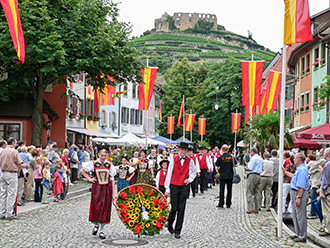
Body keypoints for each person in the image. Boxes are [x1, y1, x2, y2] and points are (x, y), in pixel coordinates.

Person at [80, 149, 116, 239]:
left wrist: (113, 194)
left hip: (107, 188)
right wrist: (90, 179)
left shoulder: (110, 165)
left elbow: (112, 179)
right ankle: (96, 224)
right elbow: (82, 170)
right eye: (102, 155)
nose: (103, 157)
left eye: (105, 155)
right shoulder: (94, 164)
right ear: (98, 155)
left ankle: (102, 230)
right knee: (96, 206)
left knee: (105, 208)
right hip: (97, 188)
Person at [165, 142, 196, 239]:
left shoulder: (190, 160)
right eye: (181, 149)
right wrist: (167, 188)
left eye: (185, 150)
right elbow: (169, 173)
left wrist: (189, 179)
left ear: (187, 151)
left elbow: (194, 171)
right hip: (174, 185)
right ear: (178, 150)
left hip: (184, 186)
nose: (183, 151)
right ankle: (170, 223)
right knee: (174, 208)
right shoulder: (173, 160)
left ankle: (178, 230)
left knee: (181, 209)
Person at [282, 153, 309, 243]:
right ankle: (298, 233)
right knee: (295, 214)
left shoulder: (302, 170)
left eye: (295, 158)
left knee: (300, 215)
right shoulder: (299, 169)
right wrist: (285, 172)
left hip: (299, 193)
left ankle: (302, 235)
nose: (293, 159)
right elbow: (294, 177)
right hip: (295, 192)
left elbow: (301, 185)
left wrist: (299, 197)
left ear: (299, 159)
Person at [0, 138, 24, 220]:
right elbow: (20, 163)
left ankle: (1, 212)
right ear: (13, 143)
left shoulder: (2, 151)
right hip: (11, 172)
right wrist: (18, 171)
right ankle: (9, 213)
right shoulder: (14, 151)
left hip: (3, 173)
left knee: (3, 194)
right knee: (11, 194)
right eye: (16, 143)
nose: (16, 144)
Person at [216, 144, 236, 209]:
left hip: (222, 175)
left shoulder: (220, 157)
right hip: (230, 175)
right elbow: (236, 164)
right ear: (228, 150)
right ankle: (228, 203)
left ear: (222, 149)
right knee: (229, 190)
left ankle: (221, 203)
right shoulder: (231, 157)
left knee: (222, 190)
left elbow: (217, 165)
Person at [245, 147, 264, 214]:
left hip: (252, 175)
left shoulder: (253, 158)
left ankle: (250, 208)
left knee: (249, 191)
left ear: (252, 152)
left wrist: (245, 168)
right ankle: (257, 207)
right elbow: (262, 169)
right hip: (258, 175)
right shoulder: (261, 158)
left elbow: (250, 168)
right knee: (257, 192)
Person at [319, 147, 330, 237]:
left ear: (326, 155)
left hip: (327, 189)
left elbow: (325, 180)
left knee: (327, 210)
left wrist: (322, 191)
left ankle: (328, 229)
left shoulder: (327, 165)